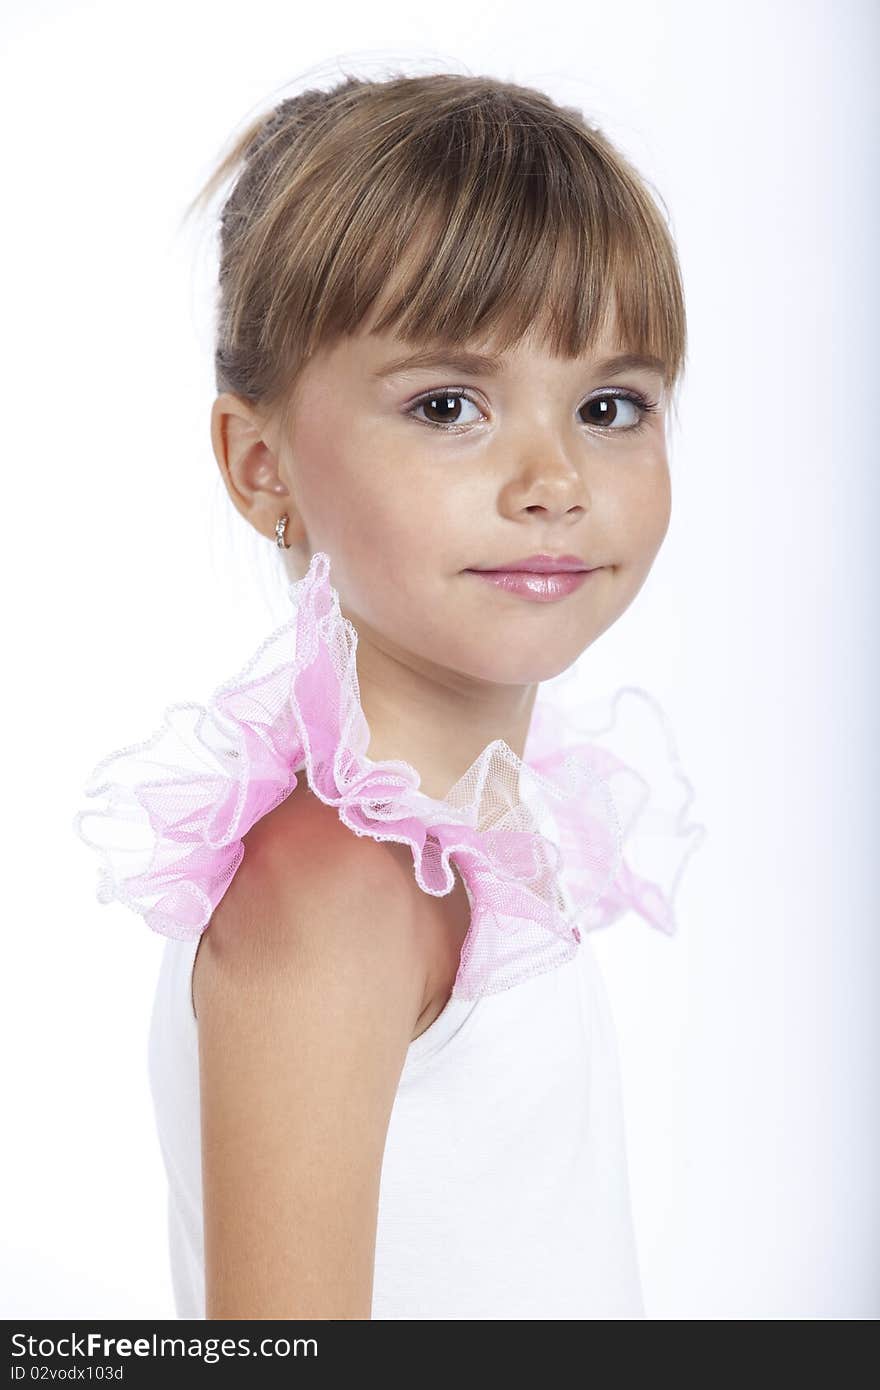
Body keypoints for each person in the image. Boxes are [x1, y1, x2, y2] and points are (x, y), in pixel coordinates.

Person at [73, 70, 705, 1320]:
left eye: (608, 404)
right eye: (447, 405)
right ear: (264, 469)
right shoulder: (338, 889)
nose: (553, 478)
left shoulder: (471, 832)